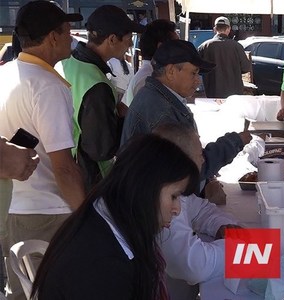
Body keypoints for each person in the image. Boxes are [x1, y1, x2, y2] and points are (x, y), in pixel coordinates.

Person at [31, 134, 200, 299]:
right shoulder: (103, 265)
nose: (177, 209)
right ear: (146, 188)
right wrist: (228, 245)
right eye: (174, 196)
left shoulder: (103, 216)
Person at [0, 2, 85, 299]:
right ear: (52, 37)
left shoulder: (6, 73)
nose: (72, 37)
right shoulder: (48, 85)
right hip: (49, 213)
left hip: (12, 208)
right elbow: (63, 167)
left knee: (22, 291)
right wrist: (86, 215)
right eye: (67, 31)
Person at [121, 39, 251, 188]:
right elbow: (186, 169)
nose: (197, 81)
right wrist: (233, 143)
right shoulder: (161, 110)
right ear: (171, 71)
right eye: (194, 73)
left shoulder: (159, 97)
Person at [61, 5, 145, 191]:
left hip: (67, 166)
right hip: (88, 177)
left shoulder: (70, 62)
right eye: (129, 39)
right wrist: (123, 118)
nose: (130, 45)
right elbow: (101, 149)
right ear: (112, 39)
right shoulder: (98, 85)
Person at [154, 124, 241, 300]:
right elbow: (194, 265)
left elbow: (200, 209)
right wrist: (240, 250)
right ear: (181, 159)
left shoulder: (172, 189)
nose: (203, 160)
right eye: (200, 153)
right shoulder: (160, 200)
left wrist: (221, 226)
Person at [123, 19, 179, 107]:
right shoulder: (147, 79)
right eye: (177, 44)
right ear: (161, 47)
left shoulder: (149, 75)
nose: (180, 49)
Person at [197, 16, 252, 98]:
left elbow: (197, 68)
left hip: (212, 92)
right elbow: (246, 68)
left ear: (215, 29)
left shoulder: (204, 46)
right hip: (234, 94)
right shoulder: (237, 46)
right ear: (228, 29)